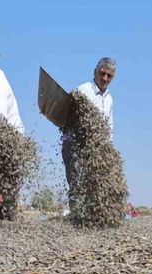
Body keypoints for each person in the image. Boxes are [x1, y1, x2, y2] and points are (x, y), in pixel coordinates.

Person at [62, 57, 116, 190]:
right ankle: (76, 210)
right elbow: (67, 115)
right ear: (95, 72)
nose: (105, 78)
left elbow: (109, 126)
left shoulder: (109, 99)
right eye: (102, 73)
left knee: (95, 189)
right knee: (77, 187)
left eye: (109, 76)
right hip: (76, 147)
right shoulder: (83, 90)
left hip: (97, 151)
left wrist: (107, 149)